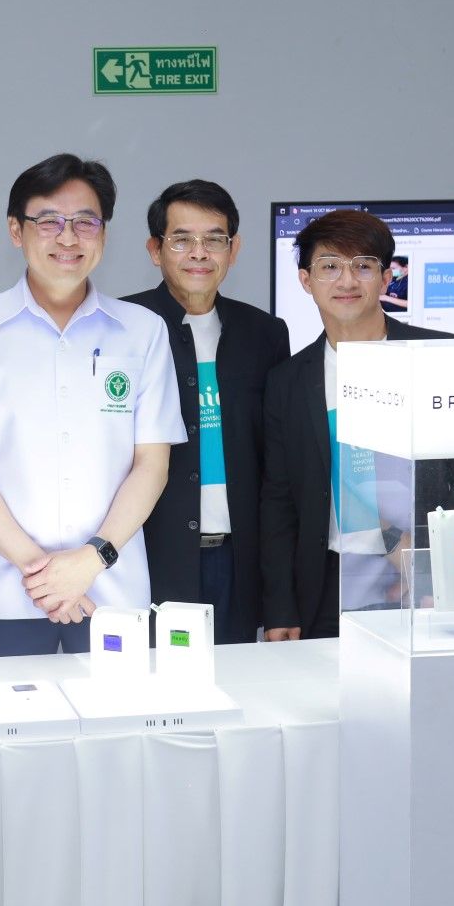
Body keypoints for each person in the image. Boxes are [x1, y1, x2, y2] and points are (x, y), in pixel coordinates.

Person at [0, 153, 185, 657]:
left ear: (104, 235)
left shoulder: (143, 331)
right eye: (48, 222)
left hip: (113, 591)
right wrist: (42, 574)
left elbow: (152, 464)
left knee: (119, 731)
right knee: (6, 733)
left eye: (86, 222)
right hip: (5, 594)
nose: (68, 238)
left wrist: (92, 560)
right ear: (15, 232)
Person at [260, 209, 454, 640]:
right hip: (326, 582)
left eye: (363, 266)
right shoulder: (287, 381)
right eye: (329, 267)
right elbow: (278, 501)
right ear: (306, 281)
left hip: (415, 578)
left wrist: (439, 572)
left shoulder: (439, 355)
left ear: (385, 280)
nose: (346, 282)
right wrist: (280, 607)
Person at [123, 179, 290, 644]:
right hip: (151, 555)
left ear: (233, 250)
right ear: (155, 250)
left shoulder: (264, 333)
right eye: (182, 239)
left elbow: (278, 467)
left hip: (239, 559)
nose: (199, 252)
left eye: (214, 239)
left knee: (236, 692)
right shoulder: (122, 326)